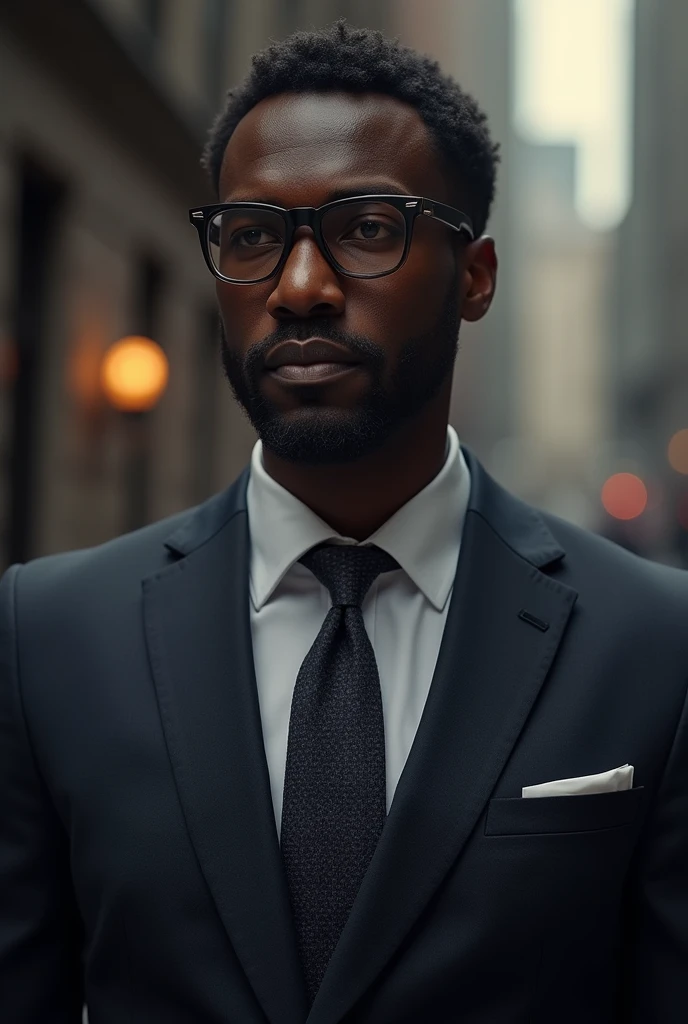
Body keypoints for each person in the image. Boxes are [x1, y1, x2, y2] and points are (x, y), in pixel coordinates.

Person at [1, 21, 687, 1024]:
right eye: (251, 236)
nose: (300, 287)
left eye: (367, 229)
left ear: (477, 276)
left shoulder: (654, 645)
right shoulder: (48, 634)